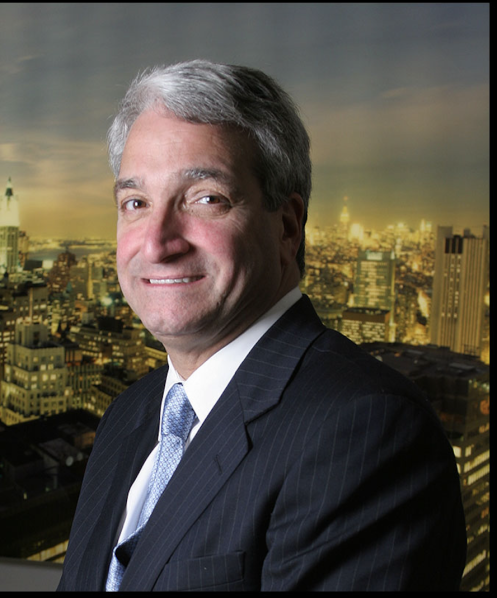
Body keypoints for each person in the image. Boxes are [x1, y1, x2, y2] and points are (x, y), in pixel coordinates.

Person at [57, 60, 466, 591]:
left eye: (206, 198)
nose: (157, 242)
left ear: (287, 227)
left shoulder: (367, 432)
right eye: (135, 202)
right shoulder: (128, 417)